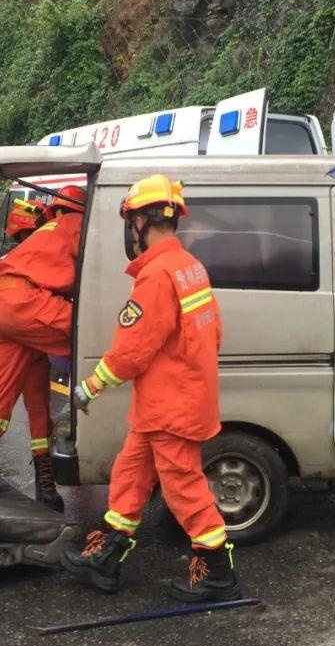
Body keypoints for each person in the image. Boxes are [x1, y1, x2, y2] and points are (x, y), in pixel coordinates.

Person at [60, 174, 237, 603]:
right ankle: (107, 557)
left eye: (130, 219)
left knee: (183, 489)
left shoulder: (157, 276)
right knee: (129, 474)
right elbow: (215, 333)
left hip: (169, 406)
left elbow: (132, 350)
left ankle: (217, 570)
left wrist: (89, 388)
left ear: (139, 220)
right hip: (169, 402)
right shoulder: (190, 268)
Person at [0, 185, 88, 509]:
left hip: (1, 308)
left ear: (52, 210)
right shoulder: (77, 226)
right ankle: (43, 483)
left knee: (2, 393)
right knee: (94, 328)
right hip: (25, 306)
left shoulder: (43, 235)